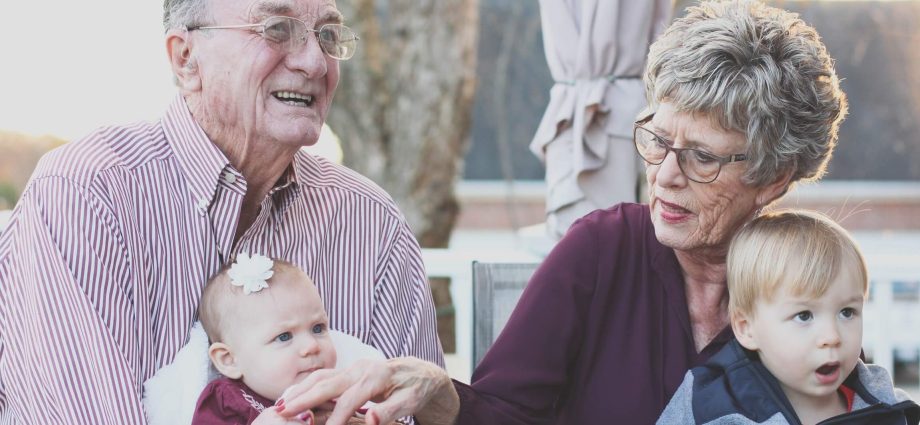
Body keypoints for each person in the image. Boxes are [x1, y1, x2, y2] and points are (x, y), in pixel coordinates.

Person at [274, 1, 853, 424]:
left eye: (702, 157)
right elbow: (502, 412)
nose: (665, 175)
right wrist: (439, 393)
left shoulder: (807, 279)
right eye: (656, 139)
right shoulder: (601, 250)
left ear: (773, 179)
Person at [0, 0, 443, 422]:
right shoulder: (87, 196)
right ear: (185, 57)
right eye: (277, 28)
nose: (313, 62)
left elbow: (419, 413)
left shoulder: (372, 223)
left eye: (327, 35)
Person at [657, 210, 920, 425]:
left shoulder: (884, 404)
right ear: (746, 328)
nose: (831, 337)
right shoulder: (710, 406)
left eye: (847, 312)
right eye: (804, 315)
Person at [192, 254, 335, 424]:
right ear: (229, 360)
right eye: (284, 336)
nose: (312, 345)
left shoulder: (339, 395)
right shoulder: (227, 402)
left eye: (318, 328)